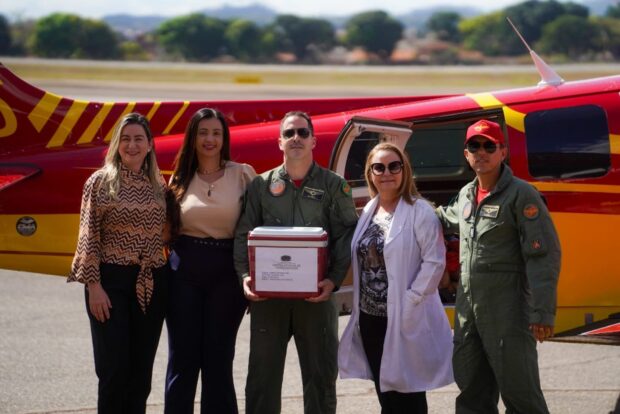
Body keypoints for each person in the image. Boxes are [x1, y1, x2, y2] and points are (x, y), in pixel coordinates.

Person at [233, 111, 358, 414]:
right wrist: (246, 277)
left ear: (314, 139)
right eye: (289, 134)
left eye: (303, 133)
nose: (296, 139)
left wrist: (333, 280)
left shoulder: (334, 185)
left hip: (316, 298)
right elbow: (243, 234)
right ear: (280, 142)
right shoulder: (260, 186)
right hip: (268, 300)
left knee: (320, 380)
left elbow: (346, 235)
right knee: (262, 382)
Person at [436, 119, 561, 414]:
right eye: (474, 146)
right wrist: (400, 205)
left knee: (521, 394)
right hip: (469, 312)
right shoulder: (467, 194)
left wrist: (542, 311)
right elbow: (440, 219)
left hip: (508, 311)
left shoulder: (521, 195)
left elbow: (543, 255)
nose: (481, 152)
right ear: (466, 154)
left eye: (489, 145)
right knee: (471, 393)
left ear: (503, 152)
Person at [338, 143, 454, 413]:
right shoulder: (369, 210)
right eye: (379, 167)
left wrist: (411, 300)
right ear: (370, 173)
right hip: (370, 319)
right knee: (386, 394)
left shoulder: (420, 211)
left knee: (409, 395)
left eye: (394, 166)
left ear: (405, 171)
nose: (386, 172)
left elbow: (434, 263)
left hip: (403, 318)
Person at [68, 112, 168, 414]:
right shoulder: (99, 183)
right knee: (113, 372)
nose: (132, 145)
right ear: (117, 144)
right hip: (109, 283)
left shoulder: (158, 185)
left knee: (140, 376)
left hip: (150, 282)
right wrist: (94, 287)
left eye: (139, 139)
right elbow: (88, 237)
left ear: (149, 145)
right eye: (125, 139)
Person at [164, 108, 256, 414]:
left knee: (218, 357)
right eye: (203, 132)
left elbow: (259, 224)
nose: (210, 139)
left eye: (216, 133)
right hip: (184, 272)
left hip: (226, 272)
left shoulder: (242, 174)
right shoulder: (179, 177)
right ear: (193, 137)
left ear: (224, 138)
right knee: (183, 357)